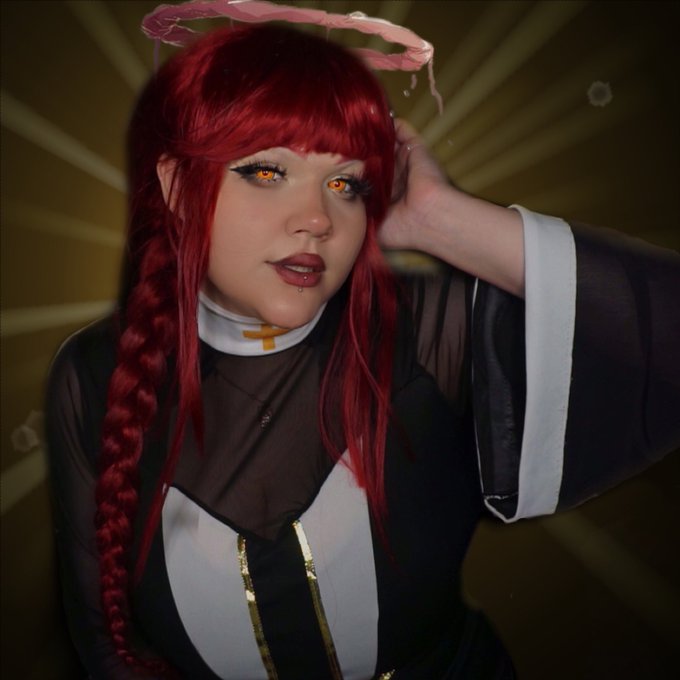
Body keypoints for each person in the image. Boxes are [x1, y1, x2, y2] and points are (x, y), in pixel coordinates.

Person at [44, 10, 680, 680]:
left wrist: (442, 220)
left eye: (346, 183)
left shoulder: (426, 334)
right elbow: (106, 646)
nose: (318, 219)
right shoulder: (93, 376)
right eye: (268, 172)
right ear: (177, 187)